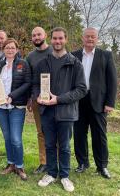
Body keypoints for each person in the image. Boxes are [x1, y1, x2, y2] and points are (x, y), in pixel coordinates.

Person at [32, 27, 87, 192]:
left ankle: (64, 175)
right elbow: (35, 84)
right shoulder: (43, 63)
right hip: (46, 112)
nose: (57, 41)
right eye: (55, 38)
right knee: (49, 144)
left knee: (64, 146)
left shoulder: (74, 63)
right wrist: (37, 97)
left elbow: (81, 89)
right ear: (51, 39)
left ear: (66, 39)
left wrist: (59, 99)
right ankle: (51, 173)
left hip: (66, 112)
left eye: (60, 38)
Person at [72, 27, 117, 179]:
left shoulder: (106, 55)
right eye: (87, 36)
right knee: (79, 134)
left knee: (99, 135)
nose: (90, 39)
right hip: (78, 101)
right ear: (82, 38)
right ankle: (82, 163)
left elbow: (112, 81)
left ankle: (102, 166)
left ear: (97, 39)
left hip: (99, 102)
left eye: (93, 37)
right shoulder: (74, 55)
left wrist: (110, 102)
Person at [0, 38, 31, 180]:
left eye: (12, 48)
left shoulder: (23, 64)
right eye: (7, 47)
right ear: (3, 49)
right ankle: (10, 164)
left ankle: (19, 166)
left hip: (17, 106)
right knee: (7, 137)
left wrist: (12, 96)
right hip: (1, 107)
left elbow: (27, 83)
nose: (9, 50)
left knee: (15, 138)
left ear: (17, 49)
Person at [26, 26, 53, 174]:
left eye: (39, 34)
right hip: (37, 99)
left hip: (55, 99)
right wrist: (30, 98)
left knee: (56, 131)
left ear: (45, 35)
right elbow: (29, 79)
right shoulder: (30, 57)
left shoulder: (54, 51)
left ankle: (55, 161)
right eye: (34, 35)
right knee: (41, 131)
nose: (36, 37)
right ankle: (44, 162)